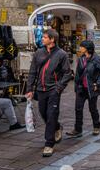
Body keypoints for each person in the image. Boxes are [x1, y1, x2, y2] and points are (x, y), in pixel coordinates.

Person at [25, 29, 71, 157]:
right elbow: (33, 71)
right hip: (40, 89)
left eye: (45, 37)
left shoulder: (61, 54)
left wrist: (59, 87)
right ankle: (56, 127)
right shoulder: (38, 53)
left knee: (51, 114)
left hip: (53, 90)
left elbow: (67, 73)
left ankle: (49, 144)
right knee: (43, 113)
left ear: (52, 39)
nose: (42, 39)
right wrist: (29, 89)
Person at [66, 40, 100, 138]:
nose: (80, 48)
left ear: (87, 48)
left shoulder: (96, 59)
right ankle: (78, 129)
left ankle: (96, 126)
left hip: (91, 88)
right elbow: (78, 74)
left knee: (92, 108)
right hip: (81, 88)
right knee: (78, 108)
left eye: (82, 47)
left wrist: (98, 84)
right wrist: (76, 87)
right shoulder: (81, 59)